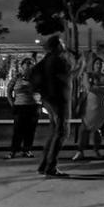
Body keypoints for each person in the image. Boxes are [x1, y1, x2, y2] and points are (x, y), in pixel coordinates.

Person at [31, 34, 84, 177]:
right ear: (57, 45)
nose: (64, 45)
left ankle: (44, 165)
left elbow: (34, 72)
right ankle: (50, 167)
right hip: (59, 100)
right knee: (62, 132)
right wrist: (81, 63)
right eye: (61, 43)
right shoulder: (59, 59)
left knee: (55, 131)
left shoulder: (47, 59)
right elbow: (71, 75)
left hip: (50, 100)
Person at [73, 57, 104, 160]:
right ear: (93, 65)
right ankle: (80, 150)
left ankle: (96, 150)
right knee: (84, 128)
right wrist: (103, 89)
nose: (99, 66)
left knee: (98, 129)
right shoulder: (88, 75)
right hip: (89, 105)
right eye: (97, 63)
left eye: (101, 64)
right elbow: (89, 87)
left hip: (102, 106)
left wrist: (96, 88)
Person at [6, 57, 40, 159]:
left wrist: (39, 101)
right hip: (20, 106)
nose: (29, 66)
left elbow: (42, 91)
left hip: (33, 107)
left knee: (30, 130)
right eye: (27, 64)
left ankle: (27, 150)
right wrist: (12, 103)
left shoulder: (37, 78)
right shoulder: (17, 78)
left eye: (31, 64)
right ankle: (13, 150)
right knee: (18, 129)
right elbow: (9, 91)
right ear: (22, 66)